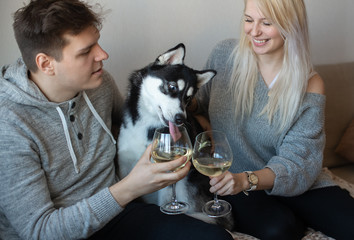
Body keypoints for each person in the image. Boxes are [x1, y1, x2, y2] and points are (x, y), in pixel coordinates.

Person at [0, 0, 234, 239]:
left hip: (118, 215)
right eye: (85, 51)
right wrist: (130, 187)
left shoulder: (99, 84)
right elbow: (40, 230)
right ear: (46, 64)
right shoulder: (8, 125)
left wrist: (198, 120)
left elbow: (135, 125)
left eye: (97, 43)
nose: (103, 54)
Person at [191, 0, 354, 239]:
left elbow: (298, 161)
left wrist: (248, 180)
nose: (254, 31)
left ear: (291, 26)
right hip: (234, 178)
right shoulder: (225, 55)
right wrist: (181, 96)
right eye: (248, 20)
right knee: (279, 229)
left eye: (267, 23)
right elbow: (202, 102)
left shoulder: (309, 83)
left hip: (288, 177)